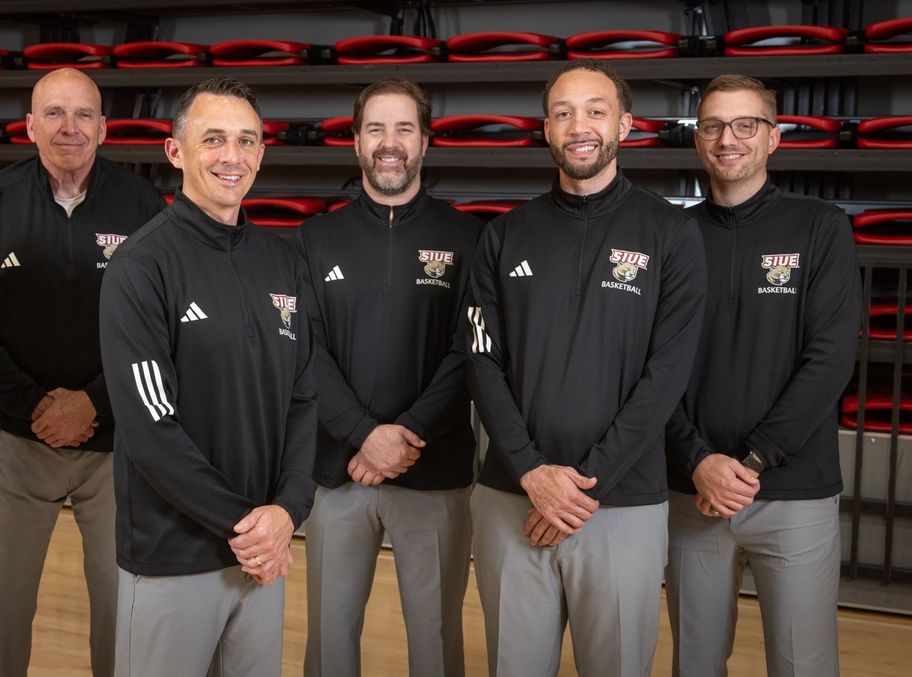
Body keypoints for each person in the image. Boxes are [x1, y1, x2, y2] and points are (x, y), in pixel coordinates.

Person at [465, 58, 706, 676]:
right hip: (512, 498)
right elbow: (481, 362)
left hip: (622, 502)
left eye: (596, 110)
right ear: (546, 128)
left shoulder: (671, 233)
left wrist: (581, 487)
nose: (580, 125)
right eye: (564, 112)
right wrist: (532, 474)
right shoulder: (503, 236)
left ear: (625, 125)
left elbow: (666, 375)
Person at [98, 76, 317, 677]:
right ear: (175, 152)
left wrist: (288, 512)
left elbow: (303, 398)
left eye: (247, 141)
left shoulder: (282, 261)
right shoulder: (141, 267)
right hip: (176, 555)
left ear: (262, 154)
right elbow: (149, 430)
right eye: (213, 139)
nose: (232, 156)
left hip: (262, 553)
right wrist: (246, 526)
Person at [0, 68, 165, 677]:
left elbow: (157, 332)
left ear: (104, 127)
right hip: (19, 443)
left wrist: (95, 405)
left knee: (119, 605)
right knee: (3, 607)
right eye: (53, 113)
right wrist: (33, 405)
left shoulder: (143, 205)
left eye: (84, 114)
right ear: (29, 126)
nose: (69, 128)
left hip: (115, 446)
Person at [664, 74, 861, 677]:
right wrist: (699, 459)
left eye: (745, 125)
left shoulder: (820, 226)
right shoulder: (673, 235)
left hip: (792, 491)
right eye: (714, 125)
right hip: (691, 490)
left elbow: (829, 360)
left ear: (773, 138)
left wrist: (749, 464)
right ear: (699, 139)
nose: (729, 139)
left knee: (802, 663)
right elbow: (648, 367)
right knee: (695, 663)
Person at [296, 76, 481, 677]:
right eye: (375, 128)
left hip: (435, 472)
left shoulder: (468, 238)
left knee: (435, 640)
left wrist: (401, 436)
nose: (390, 142)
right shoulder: (315, 240)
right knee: (329, 639)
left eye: (404, 128)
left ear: (426, 142)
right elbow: (306, 351)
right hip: (338, 473)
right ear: (355, 142)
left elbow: (469, 355)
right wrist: (363, 436)